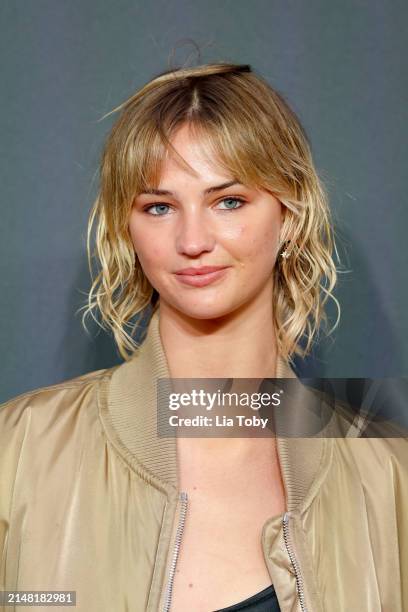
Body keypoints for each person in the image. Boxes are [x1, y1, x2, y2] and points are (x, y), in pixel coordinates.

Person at [0, 63, 406, 612]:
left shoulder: (386, 471)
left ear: (290, 214)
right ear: (127, 228)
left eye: (229, 201)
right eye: (159, 207)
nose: (192, 240)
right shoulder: (21, 449)